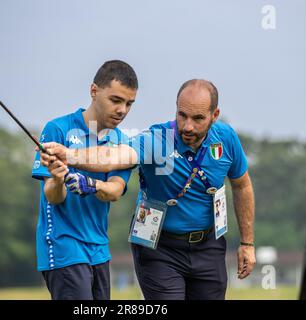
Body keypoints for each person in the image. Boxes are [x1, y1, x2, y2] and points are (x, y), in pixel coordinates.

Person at [40, 79, 256, 300]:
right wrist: (69, 155)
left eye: (198, 118)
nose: (187, 126)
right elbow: (115, 156)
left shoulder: (226, 138)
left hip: (209, 246)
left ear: (214, 115)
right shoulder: (157, 139)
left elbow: (242, 185)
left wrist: (247, 243)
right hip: (159, 248)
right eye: (182, 115)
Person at [31, 60, 138, 300]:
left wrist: (91, 185)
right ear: (94, 91)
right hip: (64, 247)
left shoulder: (122, 142)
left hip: (100, 250)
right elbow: (53, 196)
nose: (122, 110)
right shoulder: (57, 129)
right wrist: (58, 179)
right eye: (116, 100)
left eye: (129, 103)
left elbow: (114, 191)